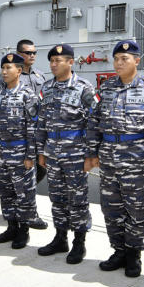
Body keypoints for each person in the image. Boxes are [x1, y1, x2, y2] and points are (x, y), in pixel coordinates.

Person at [86, 40, 144, 277]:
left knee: (138, 209)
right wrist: (92, 152)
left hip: (137, 161)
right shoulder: (105, 89)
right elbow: (93, 122)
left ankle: (134, 254)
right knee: (111, 208)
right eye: (117, 59)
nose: (119, 63)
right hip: (109, 160)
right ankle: (118, 250)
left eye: (125, 59)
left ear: (136, 61)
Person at [35, 44, 97, 264]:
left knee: (77, 199)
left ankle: (79, 243)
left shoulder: (84, 87)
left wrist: (91, 154)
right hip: (52, 152)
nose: (53, 65)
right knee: (57, 197)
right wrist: (41, 150)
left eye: (58, 61)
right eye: (51, 61)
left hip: (75, 154)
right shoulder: (47, 88)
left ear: (70, 62)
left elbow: (93, 122)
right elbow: (40, 122)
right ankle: (60, 237)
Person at [0, 52, 40, 250]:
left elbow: (33, 127)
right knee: (5, 192)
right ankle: (11, 226)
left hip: (20, 152)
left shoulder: (28, 95)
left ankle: (23, 231)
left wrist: (30, 155)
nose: (4, 71)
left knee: (23, 193)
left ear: (19, 70)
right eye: (3, 68)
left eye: (9, 68)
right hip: (1, 152)